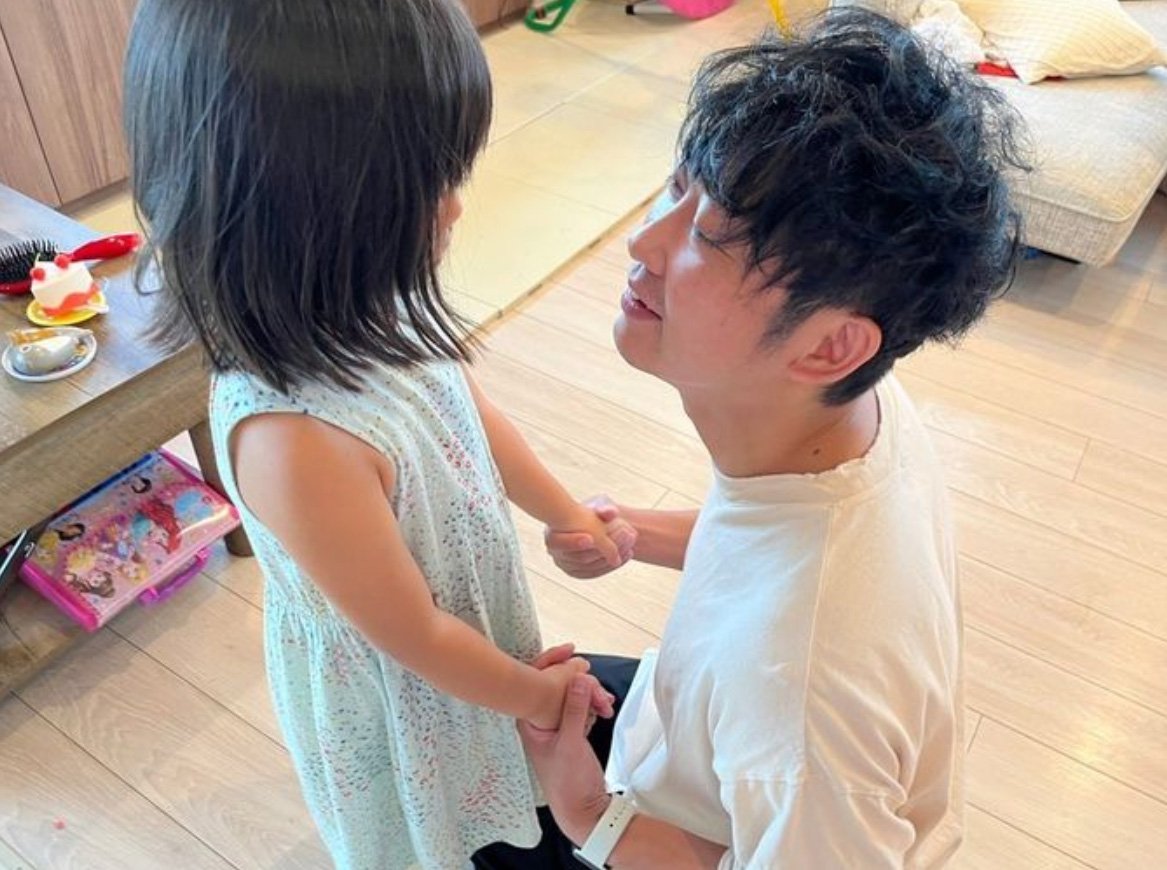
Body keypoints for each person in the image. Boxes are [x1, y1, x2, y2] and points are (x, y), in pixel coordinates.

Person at [474, 9, 1025, 869]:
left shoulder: (799, 694)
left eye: (710, 235)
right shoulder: (855, 412)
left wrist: (584, 811)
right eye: (675, 187)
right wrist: (634, 531)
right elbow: (771, 544)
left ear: (830, 345)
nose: (643, 241)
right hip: (696, 749)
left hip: (698, 828)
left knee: (464, 807)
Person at [122, 1, 634, 868]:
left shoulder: (366, 300)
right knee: (475, 833)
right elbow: (417, 639)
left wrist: (563, 513)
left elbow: (462, 409)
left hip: (469, 648)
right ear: (305, 211)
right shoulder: (294, 440)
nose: (456, 208)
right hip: (411, 695)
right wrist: (537, 700)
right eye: (428, 187)